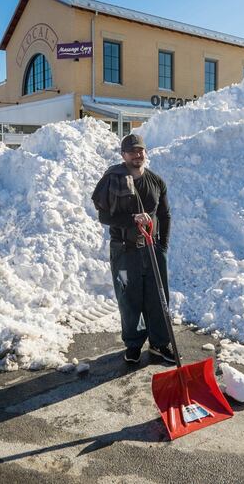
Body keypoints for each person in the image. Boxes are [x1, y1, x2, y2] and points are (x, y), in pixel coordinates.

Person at [91, 133, 176, 364]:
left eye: (140, 151)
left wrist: (163, 245)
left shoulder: (156, 181)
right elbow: (104, 216)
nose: (137, 155)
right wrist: (132, 219)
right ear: (123, 155)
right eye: (131, 151)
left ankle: (159, 343)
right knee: (130, 299)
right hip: (124, 251)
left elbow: (165, 214)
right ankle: (134, 344)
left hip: (152, 249)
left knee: (158, 298)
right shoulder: (113, 179)